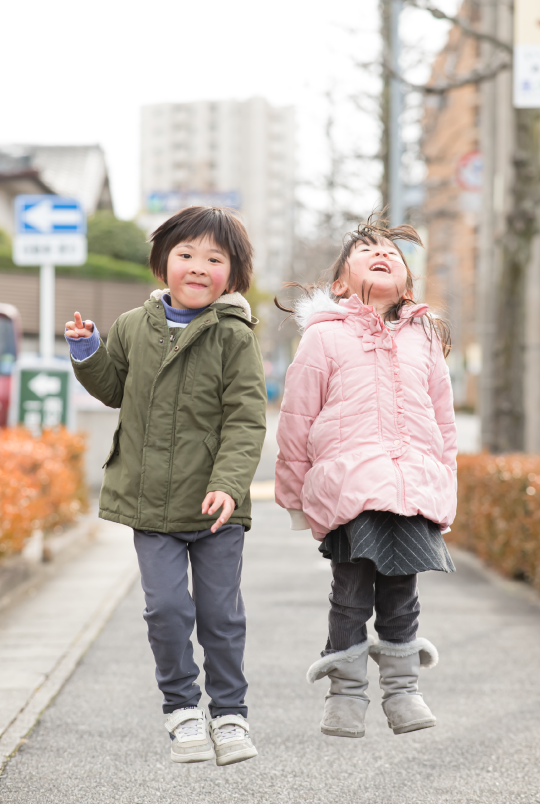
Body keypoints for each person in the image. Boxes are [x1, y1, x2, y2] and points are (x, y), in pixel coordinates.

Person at [65, 206, 267, 766]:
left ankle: (229, 714)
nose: (198, 267)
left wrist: (229, 484)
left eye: (214, 259)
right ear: (163, 263)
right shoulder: (134, 325)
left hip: (217, 509)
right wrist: (87, 352)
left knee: (220, 616)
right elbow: (113, 391)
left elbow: (246, 418)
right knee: (167, 611)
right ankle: (181, 709)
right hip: (150, 506)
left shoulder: (234, 335)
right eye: (186, 255)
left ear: (233, 273)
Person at [275, 215, 457, 739]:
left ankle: (402, 692)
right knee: (351, 593)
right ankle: (346, 695)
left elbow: (443, 421)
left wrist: (445, 488)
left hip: (414, 489)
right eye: (366, 250)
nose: (382, 254)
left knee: (402, 594)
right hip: (351, 489)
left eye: (393, 254)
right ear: (338, 284)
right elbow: (296, 419)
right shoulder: (324, 339)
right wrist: (295, 500)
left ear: (407, 283)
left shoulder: (423, 339)